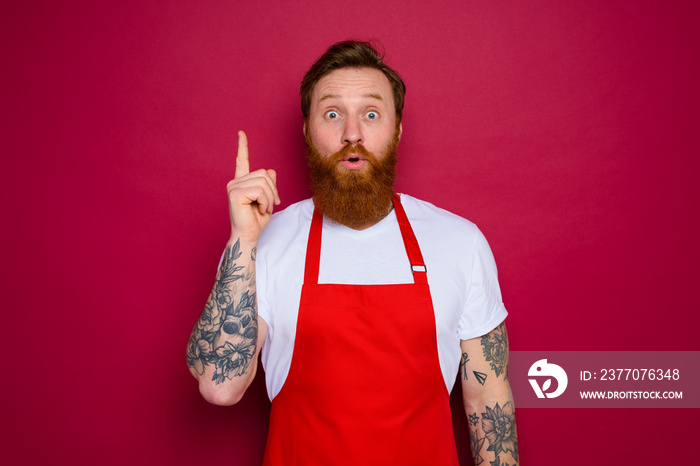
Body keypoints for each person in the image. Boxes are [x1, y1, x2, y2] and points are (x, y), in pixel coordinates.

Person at [187, 40, 518, 466]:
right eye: (331, 114)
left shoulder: (460, 241)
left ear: (397, 130)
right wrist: (243, 240)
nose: (352, 132)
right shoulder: (264, 243)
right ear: (308, 131)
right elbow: (219, 386)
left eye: (371, 113)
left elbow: (488, 396)